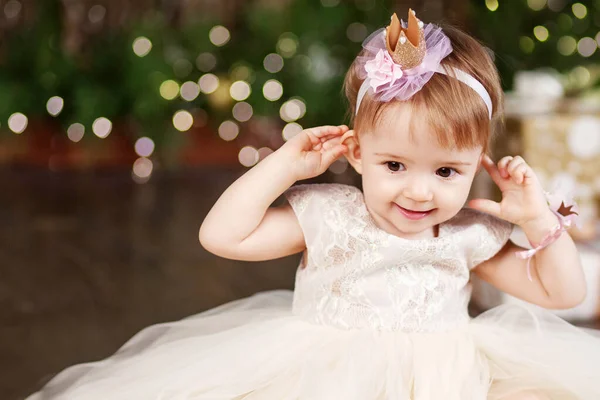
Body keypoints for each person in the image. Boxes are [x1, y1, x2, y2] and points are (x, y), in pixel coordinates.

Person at [29, 9, 600, 400]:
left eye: (447, 171)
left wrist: (536, 220)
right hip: (323, 373)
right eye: (394, 166)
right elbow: (222, 237)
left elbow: (564, 294)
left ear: (478, 164)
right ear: (356, 152)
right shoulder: (332, 214)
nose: (419, 192)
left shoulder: (467, 234)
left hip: (442, 380)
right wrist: (285, 164)